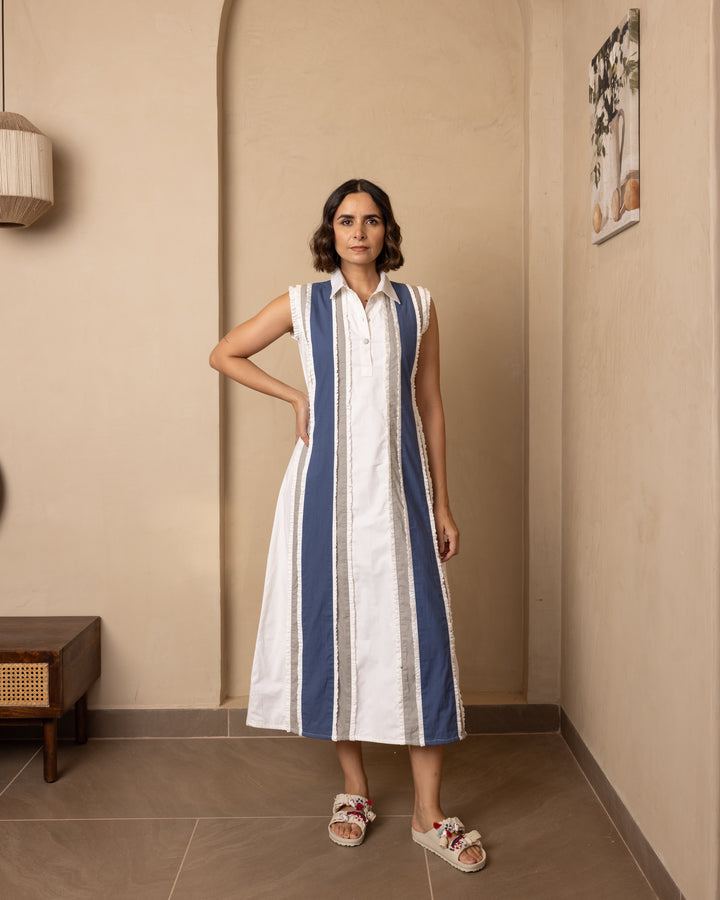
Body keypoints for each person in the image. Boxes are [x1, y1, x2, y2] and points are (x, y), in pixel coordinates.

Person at [209, 178, 486, 873]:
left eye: (371, 220)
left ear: (387, 230)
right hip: (321, 498)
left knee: (422, 641)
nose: (358, 232)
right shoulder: (302, 304)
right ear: (329, 232)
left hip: (402, 496)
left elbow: (431, 405)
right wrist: (293, 395)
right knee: (337, 635)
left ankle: (429, 815)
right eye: (345, 220)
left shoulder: (418, 306)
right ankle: (355, 790)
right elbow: (225, 352)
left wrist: (442, 503)